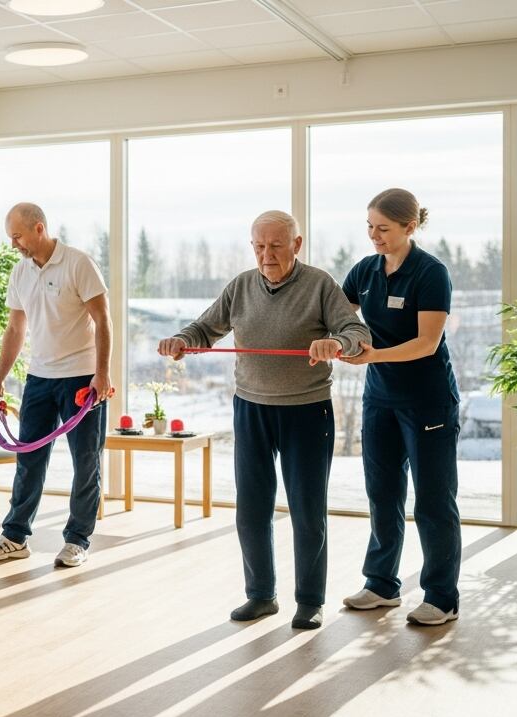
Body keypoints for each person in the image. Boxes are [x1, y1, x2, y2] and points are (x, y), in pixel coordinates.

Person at [158, 211, 370, 630]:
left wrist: (336, 342)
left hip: (307, 411)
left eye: (276, 245)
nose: (267, 254)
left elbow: (356, 333)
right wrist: (183, 340)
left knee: (307, 511)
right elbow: (206, 327)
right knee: (251, 509)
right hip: (251, 408)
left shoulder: (320, 284)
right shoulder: (240, 286)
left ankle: (310, 601)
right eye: (259, 245)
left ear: (297, 243)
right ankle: (260, 595)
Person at [339, 188, 462, 626]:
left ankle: (442, 597)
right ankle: (381, 585)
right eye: (369, 226)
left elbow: (427, 343)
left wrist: (371, 355)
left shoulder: (431, 273)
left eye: (383, 228)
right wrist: (340, 341)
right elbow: (341, 316)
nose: (374, 235)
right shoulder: (365, 270)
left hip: (427, 400)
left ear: (410, 227)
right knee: (383, 492)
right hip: (380, 399)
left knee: (433, 500)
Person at [0, 202, 111, 569]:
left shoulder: (77, 263)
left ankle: (77, 539)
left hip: (81, 378)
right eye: (10, 237)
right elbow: (15, 329)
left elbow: (102, 319)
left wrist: (103, 373)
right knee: (28, 459)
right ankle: (15, 536)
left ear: (39, 228)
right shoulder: (20, 273)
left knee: (86, 462)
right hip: (39, 378)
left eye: (17, 236)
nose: (13, 244)